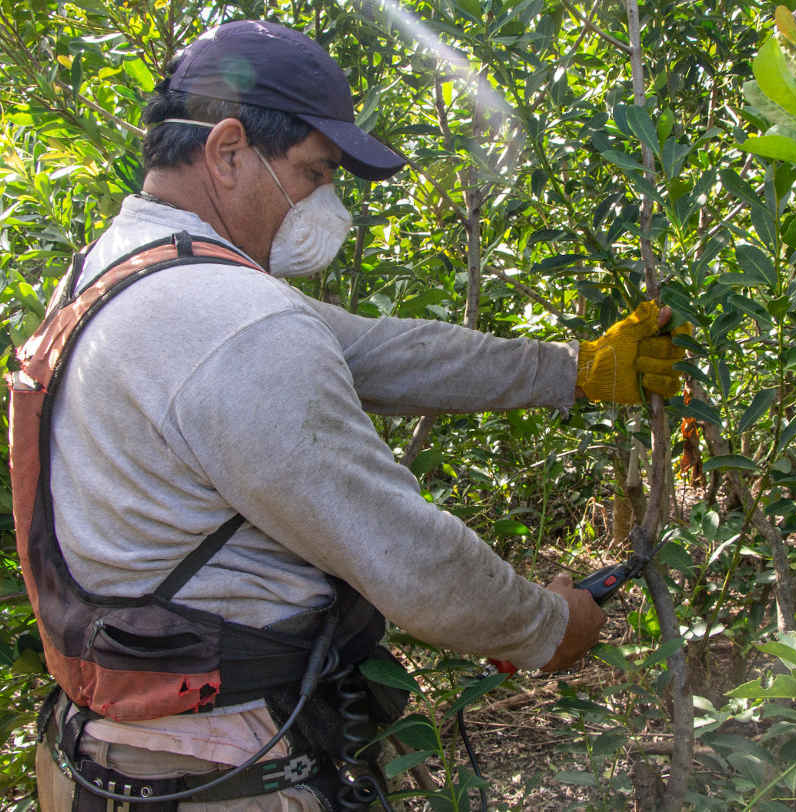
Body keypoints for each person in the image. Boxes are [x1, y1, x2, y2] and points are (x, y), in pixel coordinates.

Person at [17, 19, 685, 812]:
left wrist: (574, 370)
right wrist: (548, 625)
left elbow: (382, 352)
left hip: (108, 757)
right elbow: (409, 556)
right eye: (314, 172)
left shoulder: (119, 273)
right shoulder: (233, 325)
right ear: (229, 152)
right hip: (218, 782)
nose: (323, 204)